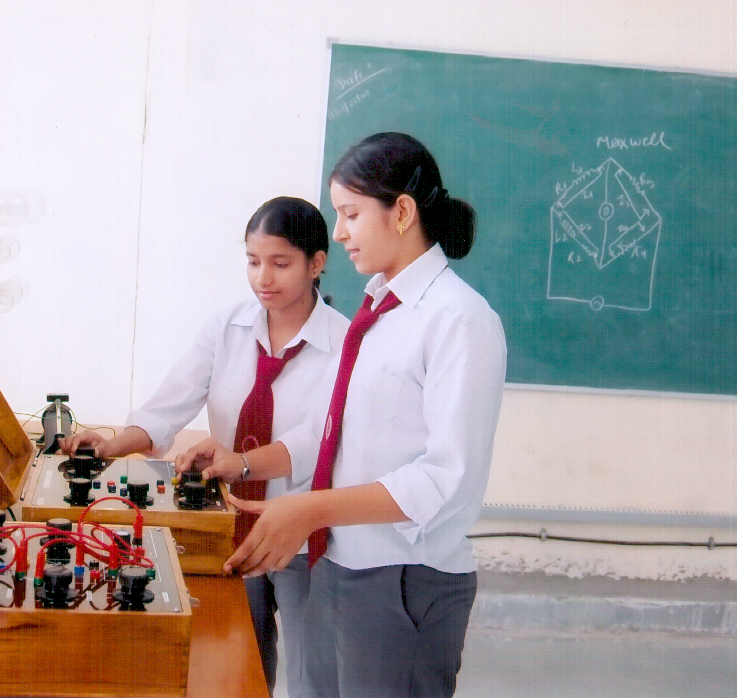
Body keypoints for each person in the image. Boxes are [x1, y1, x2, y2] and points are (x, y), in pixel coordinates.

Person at [175, 133, 507, 698]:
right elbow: (331, 432)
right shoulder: (380, 310)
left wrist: (310, 509)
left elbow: (446, 478)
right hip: (339, 562)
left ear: (402, 212)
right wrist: (246, 464)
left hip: (403, 576)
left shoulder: (458, 319)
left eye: (351, 214)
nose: (340, 232)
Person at [61, 196, 350, 696]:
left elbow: (318, 439)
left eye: (280, 263)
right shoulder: (227, 326)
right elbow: (169, 405)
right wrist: (112, 445)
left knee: (313, 677)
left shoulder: (346, 343)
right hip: (231, 526)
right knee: (237, 662)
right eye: (253, 261)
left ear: (316, 263)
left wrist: (241, 462)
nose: (263, 277)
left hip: (303, 534)